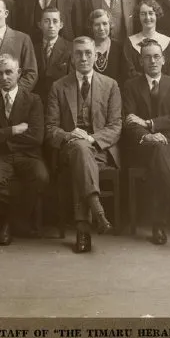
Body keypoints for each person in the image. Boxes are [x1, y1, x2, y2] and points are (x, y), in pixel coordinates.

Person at [45, 36, 123, 254]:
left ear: (96, 56)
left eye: (88, 53)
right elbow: (50, 129)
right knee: (79, 150)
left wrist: (92, 139)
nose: (83, 58)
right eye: (78, 53)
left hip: (100, 150)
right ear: (71, 57)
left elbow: (116, 126)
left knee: (83, 153)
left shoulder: (110, 85)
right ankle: (97, 211)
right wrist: (69, 135)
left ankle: (83, 229)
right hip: (69, 150)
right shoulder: (58, 87)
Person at [122, 39, 170, 244]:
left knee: (160, 153)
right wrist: (147, 135)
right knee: (157, 149)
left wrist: (149, 123)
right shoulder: (131, 85)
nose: (152, 61)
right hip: (142, 144)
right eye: (147, 57)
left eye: (156, 56)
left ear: (164, 59)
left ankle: (160, 226)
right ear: (140, 61)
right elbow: (130, 120)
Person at [0, 53, 49, 245]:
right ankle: (11, 222)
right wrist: (13, 130)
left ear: (18, 73)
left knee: (41, 177)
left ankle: (9, 222)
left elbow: (36, 137)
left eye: (9, 72)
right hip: (0, 156)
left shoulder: (33, 100)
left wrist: (0, 136)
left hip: (28, 155)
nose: (4, 78)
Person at [124, 0, 170, 75]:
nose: (147, 17)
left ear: (156, 15)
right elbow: (128, 73)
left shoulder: (168, 41)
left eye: (151, 13)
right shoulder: (129, 42)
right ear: (138, 16)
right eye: (143, 14)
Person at [34, 7, 73, 106]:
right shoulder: (32, 48)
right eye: (47, 21)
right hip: (36, 102)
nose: (51, 26)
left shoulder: (70, 48)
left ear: (61, 25)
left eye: (55, 21)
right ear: (40, 25)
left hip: (61, 101)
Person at [89, 8, 135, 87]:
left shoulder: (120, 47)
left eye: (105, 24)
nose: (101, 28)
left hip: (116, 93)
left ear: (110, 25)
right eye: (97, 25)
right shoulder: (87, 48)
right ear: (91, 27)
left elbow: (126, 77)